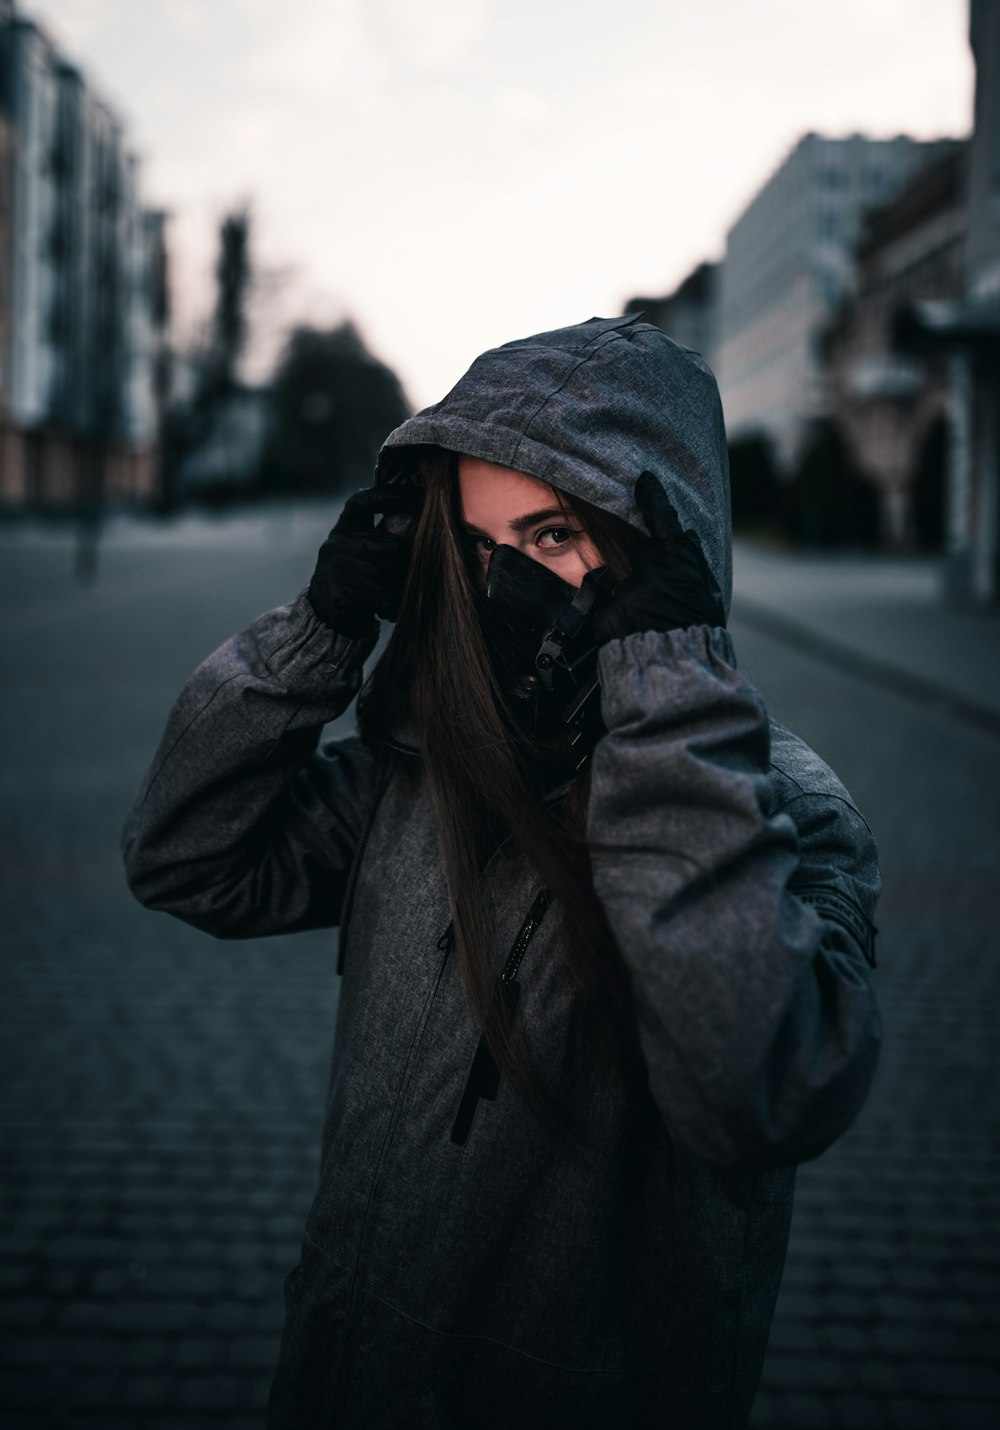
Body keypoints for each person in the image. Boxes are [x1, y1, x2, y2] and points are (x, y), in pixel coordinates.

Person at [122, 314, 881, 1430]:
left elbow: (758, 1091)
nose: (508, 586)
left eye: (554, 533)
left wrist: (666, 702)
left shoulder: (786, 814)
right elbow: (188, 859)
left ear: (666, 551)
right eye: (481, 546)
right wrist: (321, 630)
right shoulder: (431, 767)